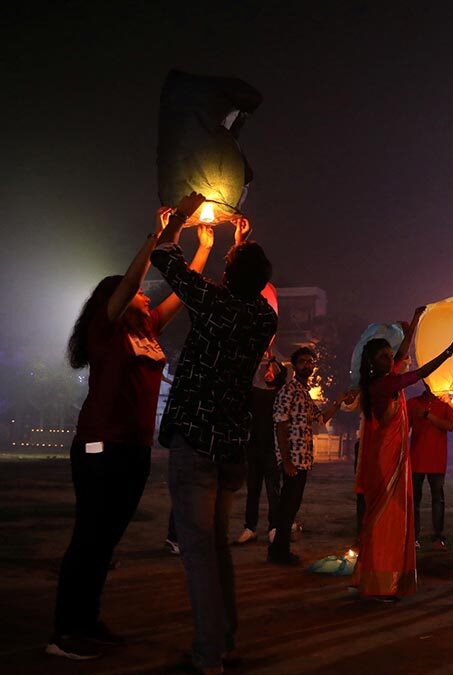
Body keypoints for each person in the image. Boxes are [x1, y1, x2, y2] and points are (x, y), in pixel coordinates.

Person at [47, 197, 214, 661]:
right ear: (115, 299)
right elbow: (133, 279)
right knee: (90, 535)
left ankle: (88, 619)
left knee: (106, 539)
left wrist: (202, 249)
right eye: (136, 291)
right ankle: (65, 630)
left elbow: (187, 289)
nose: (146, 294)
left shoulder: (148, 328)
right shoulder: (108, 327)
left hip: (135, 449)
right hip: (101, 446)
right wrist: (165, 232)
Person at [151, 194, 278, 674]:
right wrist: (239, 243)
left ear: (230, 274)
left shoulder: (214, 303)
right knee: (217, 546)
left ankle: (208, 655)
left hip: (196, 439)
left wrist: (179, 217)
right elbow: (246, 285)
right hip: (231, 444)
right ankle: (224, 642)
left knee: (199, 550)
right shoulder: (264, 316)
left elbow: (165, 256)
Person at [353, 307, 453, 600]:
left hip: (394, 456)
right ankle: (379, 582)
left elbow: (403, 352)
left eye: (391, 357)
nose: (391, 360)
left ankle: (379, 579)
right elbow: (420, 373)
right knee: (387, 518)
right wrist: (450, 351)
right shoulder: (384, 383)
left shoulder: (385, 377)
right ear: (372, 362)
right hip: (387, 460)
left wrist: (414, 321)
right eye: (384, 358)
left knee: (392, 517)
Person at [270, 347, 355, 564]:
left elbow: (320, 418)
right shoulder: (289, 390)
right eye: (303, 362)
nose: (307, 365)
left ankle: (279, 550)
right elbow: (280, 425)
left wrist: (339, 401)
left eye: (310, 362)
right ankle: (279, 551)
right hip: (293, 459)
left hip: (303, 459)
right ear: (294, 365)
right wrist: (286, 460)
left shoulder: (305, 393)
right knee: (288, 506)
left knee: (292, 506)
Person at [235, 355, 287, 546]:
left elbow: (282, 375)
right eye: (266, 370)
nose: (267, 372)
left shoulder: (282, 395)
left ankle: (274, 527)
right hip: (254, 449)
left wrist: (272, 359)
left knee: (274, 490)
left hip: (272, 450)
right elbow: (244, 380)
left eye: (271, 370)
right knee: (253, 490)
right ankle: (250, 528)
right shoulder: (256, 394)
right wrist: (259, 359)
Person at [407, 384, 453, 551]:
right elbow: (403, 426)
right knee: (415, 500)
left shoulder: (443, 404)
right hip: (416, 459)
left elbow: (450, 425)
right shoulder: (412, 403)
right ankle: (413, 537)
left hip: (436, 461)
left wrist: (428, 415)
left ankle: (438, 536)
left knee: (438, 499)